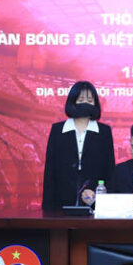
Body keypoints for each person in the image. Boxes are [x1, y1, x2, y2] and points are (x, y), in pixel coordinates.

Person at [42, 81, 115, 210]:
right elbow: (50, 170)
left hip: (94, 200)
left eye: (89, 100)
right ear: (72, 101)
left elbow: (109, 170)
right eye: (80, 100)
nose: (85, 104)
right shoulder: (58, 130)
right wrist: (48, 207)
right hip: (61, 200)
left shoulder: (104, 131)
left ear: (95, 103)